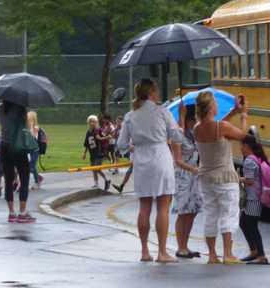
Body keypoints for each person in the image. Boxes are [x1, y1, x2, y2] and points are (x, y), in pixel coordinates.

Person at [117, 78, 183, 263]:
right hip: (160, 157)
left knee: (144, 207)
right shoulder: (163, 111)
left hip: (141, 160)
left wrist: (134, 146)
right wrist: (182, 119)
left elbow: (121, 145)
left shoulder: (130, 115)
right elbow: (176, 135)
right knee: (163, 205)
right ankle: (162, 251)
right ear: (151, 92)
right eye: (156, 90)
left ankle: (145, 251)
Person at [193, 90, 249, 264]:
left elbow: (219, 126)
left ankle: (212, 255)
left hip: (206, 178)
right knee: (228, 213)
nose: (217, 105)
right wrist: (244, 115)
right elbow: (243, 136)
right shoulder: (220, 127)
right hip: (225, 176)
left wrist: (233, 111)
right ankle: (227, 253)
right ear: (211, 107)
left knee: (211, 214)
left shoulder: (197, 128)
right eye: (215, 103)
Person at [0, 101, 36, 223]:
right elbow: (26, 126)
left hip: (4, 146)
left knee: (8, 179)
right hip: (18, 146)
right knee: (24, 178)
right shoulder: (20, 108)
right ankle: (22, 212)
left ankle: (11, 212)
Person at [172, 102, 203, 259]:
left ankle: (186, 244)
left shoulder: (193, 134)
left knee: (193, 210)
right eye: (195, 119)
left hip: (194, 176)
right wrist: (193, 169)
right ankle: (180, 247)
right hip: (182, 176)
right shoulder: (178, 135)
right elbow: (177, 160)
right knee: (183, 211)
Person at [239, 134, 269, 264]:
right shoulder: (255, 158)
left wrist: (236, 178)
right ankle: (254, 251)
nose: (240, 148)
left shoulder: (249, 161)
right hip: (255, 197)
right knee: (245, 223)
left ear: (246, 146)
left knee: (252, 225)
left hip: (253, 198)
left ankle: (261, 255)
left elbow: (250, 180)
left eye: (242, 145)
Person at [83, 115, 111, 191]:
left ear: (96, 122)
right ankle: (96, 183)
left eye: (93, 122)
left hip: (99, 152)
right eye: (90, 122)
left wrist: (107, 137)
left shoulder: (99, 130)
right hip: (92, 153)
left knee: (97, 168)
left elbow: (102, 138)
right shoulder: (88, 132)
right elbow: (87, 144)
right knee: (93, 169)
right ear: (88, 123)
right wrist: (84, 153)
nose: (92, 123)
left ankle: (107, 180)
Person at [26, 111, 44, 190]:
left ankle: (37, 182)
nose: (28, 120)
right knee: (29, 167)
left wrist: (31, 127)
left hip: (35, 150)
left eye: (29, 119)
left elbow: (34, 137)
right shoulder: (26, 128)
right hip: (28, 150)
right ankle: (38, 177)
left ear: (33, 119)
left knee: (31, 167)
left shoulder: (36, 128)